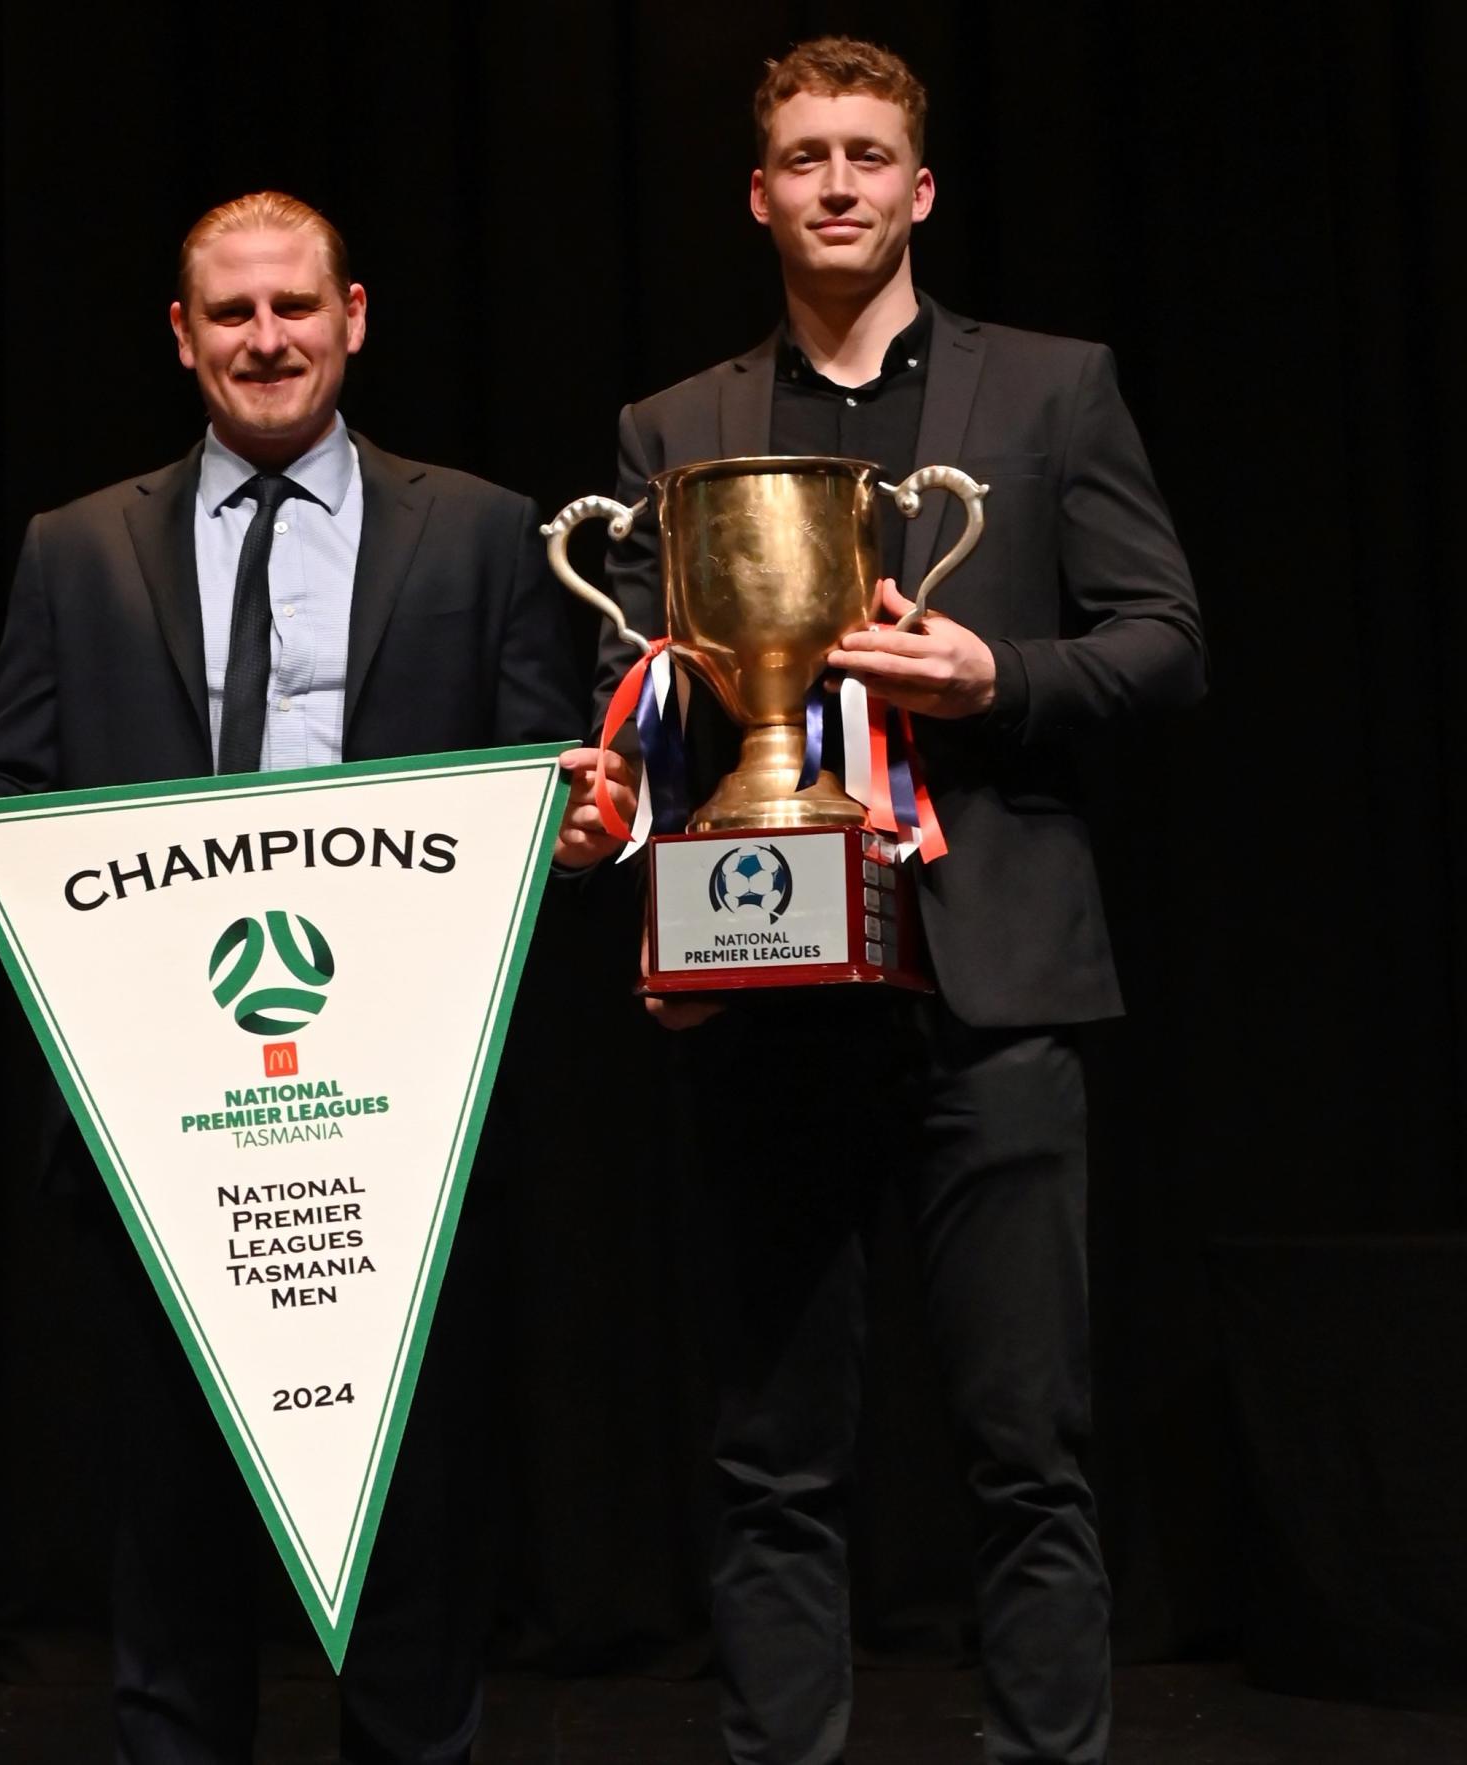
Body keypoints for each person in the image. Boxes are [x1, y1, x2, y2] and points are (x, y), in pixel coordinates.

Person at [0, 192, 590, 1764]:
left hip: (400, 1135)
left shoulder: (479, 527)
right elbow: (8, 782)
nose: (266, 339)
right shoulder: (78, 544)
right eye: (233, 314)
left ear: (353, 316)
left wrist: (584, 828)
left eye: (294, 307)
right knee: (173, 1569)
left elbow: (555, 780)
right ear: (183, 337)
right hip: (163, 1134)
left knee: (407, 1572)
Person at [562, 37, 1206, 1765]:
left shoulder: (1056, 390)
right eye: (801, 156)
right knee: (772, 1457)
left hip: (994, 989)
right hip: (765, 977)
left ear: (918, 190)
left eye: (866, 155)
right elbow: (649, 696)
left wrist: (995, 675)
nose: (835, 182)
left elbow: (1164, 644)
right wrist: (616, 805)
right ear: (757, 193)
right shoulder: (673, 429)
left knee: (1028, 1450)